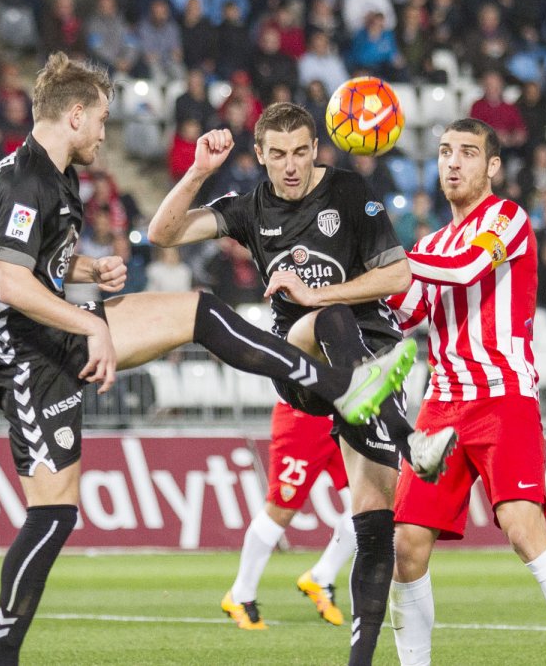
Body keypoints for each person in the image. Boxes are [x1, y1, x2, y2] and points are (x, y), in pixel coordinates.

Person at [0, 54, 415, 666]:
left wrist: (87, 271)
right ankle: (0, 659)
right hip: (23, 358)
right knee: (54, 514)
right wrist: (89, 329)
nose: (103, 131)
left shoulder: (55, 176)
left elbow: (37, 266)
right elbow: (10, 284)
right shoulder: (26, 180)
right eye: (101, 120)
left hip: (55, 331)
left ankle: (341, 385)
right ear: (73, 114)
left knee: (197, 311)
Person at [145, 102, 454, 662]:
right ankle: (410, 439)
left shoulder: (351, 194)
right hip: (302, 360)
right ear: (259, 156)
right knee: (326, 321)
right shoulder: (247, 207)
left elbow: (399, 272)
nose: (290, 166)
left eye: (301, 152)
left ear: (317, 149)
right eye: (278, 155)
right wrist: (198, 171)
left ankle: (360, 659)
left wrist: (317, 291)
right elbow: (161, 233)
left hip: (369, 357)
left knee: (374, 520)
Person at [386, 119, 546, 666]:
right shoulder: (431, 243)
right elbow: (401, 313)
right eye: (444, 152)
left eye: (467, 152)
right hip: (441, 407)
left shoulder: (507, 219)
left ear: (492, 166)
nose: (453, 162)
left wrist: (392, 265)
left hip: (502, 395)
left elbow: (465, 270)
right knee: (406, 547)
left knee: (521, 527)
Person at [224, 402, 355, 630]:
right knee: (282, 508)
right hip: (304, 414)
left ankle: (321, 577)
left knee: (375, 501)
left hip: (348, 415)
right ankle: (240, 594)